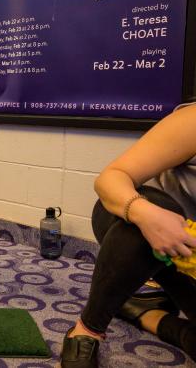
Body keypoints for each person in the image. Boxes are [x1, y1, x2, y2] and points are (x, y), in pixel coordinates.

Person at [60, 104, 196, 367]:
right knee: (148, 216)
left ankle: (144, 313)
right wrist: (145, 213)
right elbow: (110, 179)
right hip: (157, 242)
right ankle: (87, 329)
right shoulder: (191, 120)